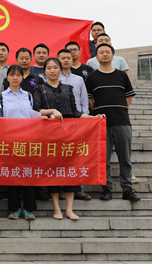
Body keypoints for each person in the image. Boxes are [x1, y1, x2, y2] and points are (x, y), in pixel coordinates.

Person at [32, 58, 98, 220]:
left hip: (69, 134)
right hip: (49, 134)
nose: (52, 70)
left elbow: (75, 111)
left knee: (70, 169)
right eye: (49, 68)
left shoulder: (68, 88)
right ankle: (56, 209)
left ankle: (69, 209)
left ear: (61, 70)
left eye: (55, 67)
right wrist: (52, 111)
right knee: (53, 170)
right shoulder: (39, 89)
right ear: (44, 71)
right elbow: (35, 110)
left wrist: (93, 118)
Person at [86, 43, 140, 202]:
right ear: (96, 56)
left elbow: (128, 97)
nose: (104, 54)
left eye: (107, 52)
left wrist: (119, 109)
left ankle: (127, 189)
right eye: (101, 52)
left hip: (122, 121)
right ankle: (107, 189)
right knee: (104, 158)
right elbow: (90, 100)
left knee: (125, 158)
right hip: (101, 123)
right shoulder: (91, 77)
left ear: (112, 55)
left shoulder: (122, 75)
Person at [1, 65, 44, 221]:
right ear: (7, 77)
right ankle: (14, 209)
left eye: (18, 75)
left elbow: (34, 114)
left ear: (22, 77)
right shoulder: (1, 96)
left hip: (28, 139)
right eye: (12, 75)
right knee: (12, 174)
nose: (15, 78)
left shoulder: (28, 95)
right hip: (10, 140)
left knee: (28, 173)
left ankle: (28, 209)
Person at [57, 49, 92, 201]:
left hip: (77, 121)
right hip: (58, 122)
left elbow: (84, 100)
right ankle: (60, 188)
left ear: (72, 60)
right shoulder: (53, 78)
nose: (66, 60)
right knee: (59, 155)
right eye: (62, 58)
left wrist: (85, 118)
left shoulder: (78, 79)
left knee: (77, 156)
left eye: (68, 58)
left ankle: (78, 189)